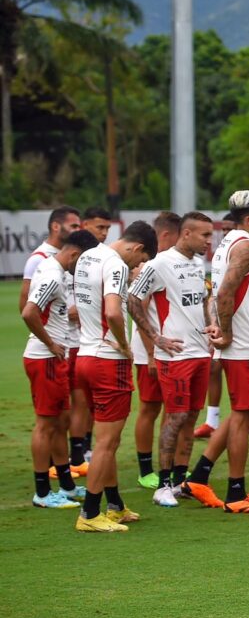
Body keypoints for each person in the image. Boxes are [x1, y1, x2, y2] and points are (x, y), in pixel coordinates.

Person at [182, 190, 249, 514]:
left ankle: (199, 475)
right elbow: (224, 292)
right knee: (243, 416)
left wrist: (218, 326)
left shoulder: (227, 243)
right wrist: (228, 331)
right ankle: (236, 493)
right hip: (244, 341)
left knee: (241, 411)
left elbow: (217, 292)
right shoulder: (247, 245)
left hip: (238, 339)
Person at [73, 220, 157, 532]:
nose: (140, 265)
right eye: (142, 258)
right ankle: (90, 513)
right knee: (107, 442)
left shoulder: (87, 256)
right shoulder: (116, 264)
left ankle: (115, 504)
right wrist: (124, 345)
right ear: (136, 248)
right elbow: (111, 311)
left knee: (106, 439)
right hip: (109, 361)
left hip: (85, 356)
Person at [128, 212, 216, 506]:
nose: (209, 241)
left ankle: (181, 480)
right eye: (204, 235)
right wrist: (156, 338)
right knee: (175, 417)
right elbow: (132, 300)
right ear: (186, 233)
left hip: (201, 351)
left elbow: (203, 300)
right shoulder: (159, 264)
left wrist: (211, 326)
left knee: (190, 418)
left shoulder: (196, 263)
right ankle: (162, 484)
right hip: (175, 356)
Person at [22, 229, 98, 509]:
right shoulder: (54, 275)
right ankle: (42, 493)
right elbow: (28, 312)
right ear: (75, 254)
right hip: (45, 359)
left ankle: (65, 485)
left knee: (61, 420)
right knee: (46, 424)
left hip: (51, 359)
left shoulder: (53, 267)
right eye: (83, 261)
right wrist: (51, 342)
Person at [129, 211, 182, 489]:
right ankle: (146, 468)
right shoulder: (151, 265)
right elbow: (139, 311)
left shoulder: (171, 263)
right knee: (150, 409)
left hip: (170, 351)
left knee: (172, 409)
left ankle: (168, 466)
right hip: (149, 351)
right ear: (166, 235)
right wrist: (150, 353)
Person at [195, 212, 237, 438]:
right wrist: (212, 321)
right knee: (214, 368)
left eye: (231, 228)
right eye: (225, 229)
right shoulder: (219, 254)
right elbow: (212, 293)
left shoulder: (245, 251)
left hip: (244, 324)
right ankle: (212, 421)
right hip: (219, 321)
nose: (227, 233)